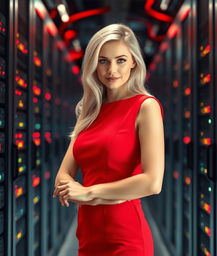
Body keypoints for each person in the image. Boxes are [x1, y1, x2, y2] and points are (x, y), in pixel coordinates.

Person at [53, 23, 165, 256]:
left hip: (125, 237)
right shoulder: (89, 110)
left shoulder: (146, 106)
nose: (111, 69)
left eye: (120, 60)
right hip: (88, 236)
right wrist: (89, 194)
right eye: (103, 60)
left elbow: (152, 182)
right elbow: (63, 175)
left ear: (134, 61)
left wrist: (88, 193)